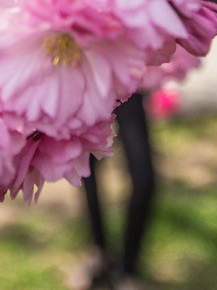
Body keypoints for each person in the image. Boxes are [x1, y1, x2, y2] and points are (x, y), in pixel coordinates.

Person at [79, 92, 156, 290]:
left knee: (144, 181)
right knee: (85, 171)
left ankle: (128, 267)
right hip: (85, 88)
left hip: (130, 84)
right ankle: (99, 251)